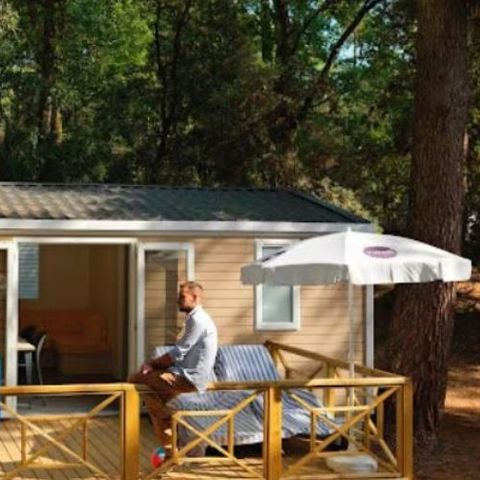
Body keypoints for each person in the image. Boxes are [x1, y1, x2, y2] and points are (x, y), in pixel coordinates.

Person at [129, 281, 218, 448]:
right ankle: (171, 450)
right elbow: (180, 354)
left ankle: (167, 419)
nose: (178, 300)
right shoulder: (195, 319)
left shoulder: (198, 320)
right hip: (182, 373)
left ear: (195, 297)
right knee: (156, 400)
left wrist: (151, 364)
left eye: (182, 297)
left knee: (135, 380)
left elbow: (177, 353)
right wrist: (157, 366)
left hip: (189, 378)